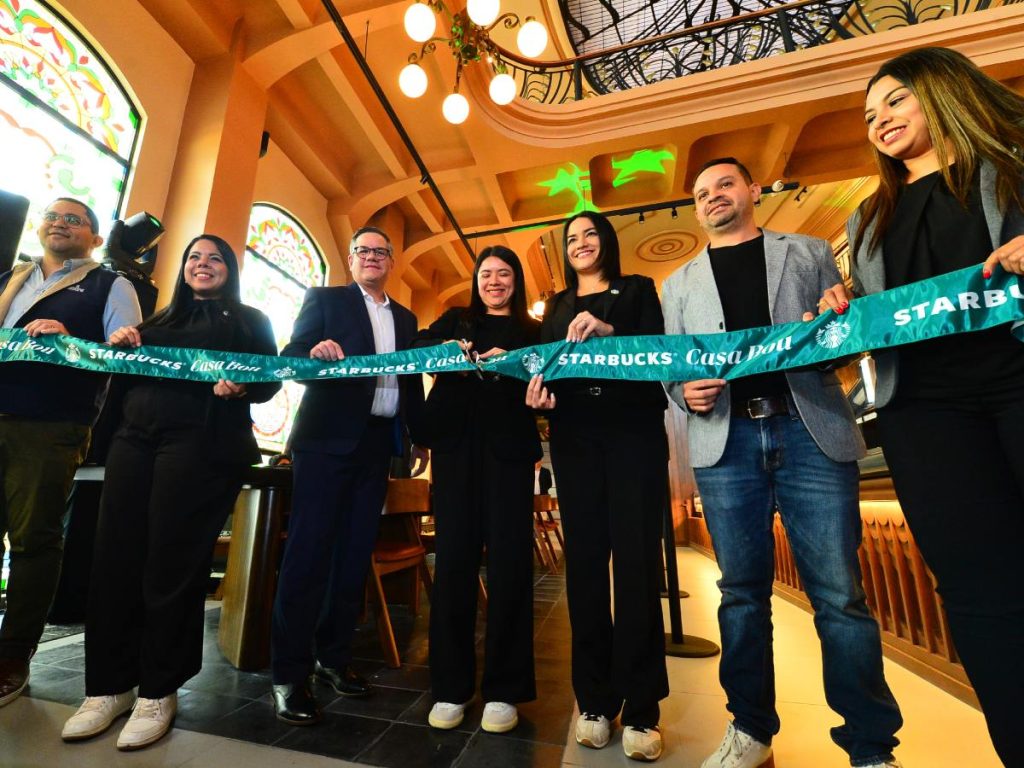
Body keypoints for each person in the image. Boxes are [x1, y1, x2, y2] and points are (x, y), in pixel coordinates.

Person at [816, 47, 1024, 767]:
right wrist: (844, 307)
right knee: (976, 590)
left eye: (895, 101)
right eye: (870, 115)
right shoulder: (868, 219)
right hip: (925, 414)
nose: (880, 121)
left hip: (1019, 380)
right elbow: (871, 319)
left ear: (942, 93)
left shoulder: (1013, 170)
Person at [662, 157, 903, 768]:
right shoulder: (678, 284)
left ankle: (870, 745)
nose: (712, 197)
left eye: (724, 185)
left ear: (752, 190)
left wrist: (838, 320)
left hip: (808, 430)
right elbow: (672, 369)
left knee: (840, 594)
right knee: (740, 593)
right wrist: (682, 391)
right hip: (725, 442)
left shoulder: (809, 251)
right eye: (701, 193)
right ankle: (750, 730)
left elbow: (839, 343)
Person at [58, 234, 279, 749]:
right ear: (183, 269)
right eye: (194, 258)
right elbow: (114, 371)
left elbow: (270, 379)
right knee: (115, 561)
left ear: (230, 270)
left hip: (200, 444)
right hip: (132, 442)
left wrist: (243, 384)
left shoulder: (250, 320)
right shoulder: (153, 322)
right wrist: (113, 346)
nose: (203, 265)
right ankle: (108, 687)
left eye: (215, 259)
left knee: (171, 565)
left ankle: (158, 690)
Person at [526, 211, 669, 762]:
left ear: (607, 242)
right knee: (584, 566)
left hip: (634, 435)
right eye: (571, 239)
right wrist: (539, 398)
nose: (581, 244)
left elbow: (658, 350)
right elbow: (546, 368)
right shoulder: (557, 305)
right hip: (575, 440)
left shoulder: (638, 290)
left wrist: (611, 332)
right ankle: (593, 701)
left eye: (589, 234)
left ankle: (642, 709)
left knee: (636, 566)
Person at [270, 225, 427, 725]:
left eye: (382, 251)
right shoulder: (325, 299)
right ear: (352, 257)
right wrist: (313, 356)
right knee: (308, 554)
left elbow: (409, 379)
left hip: (378, 446)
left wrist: (417, 434)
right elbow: (290, 358)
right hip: (325, 444)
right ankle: (288, 674)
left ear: (391, 262)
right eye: (364, 250)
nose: (373, 257)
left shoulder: (405, 317)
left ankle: (332, 660)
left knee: (354, 557)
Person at [0, 198, 142, 708]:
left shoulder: (110, 284)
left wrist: (71, 339)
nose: (60, 224)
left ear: (96, 238)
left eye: (74, 219)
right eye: (53, 217)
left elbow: (123, 350)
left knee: (34, 538)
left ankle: (13, 656)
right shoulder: (11, 279)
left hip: (50, 424)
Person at [413, 246, 540, 734]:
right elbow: (420, 346)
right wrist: (450, 353)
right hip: (455, 450)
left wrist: (518, 367)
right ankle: (450, 687)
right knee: (454, 565)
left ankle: (504, 690)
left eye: (504, 274)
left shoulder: (532, 331)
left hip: (508, 454)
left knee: (510, 567)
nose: (494, 281)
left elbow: (547, 378)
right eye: (486, 273)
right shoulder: (455, 318)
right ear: (476, 280)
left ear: (516, 282)